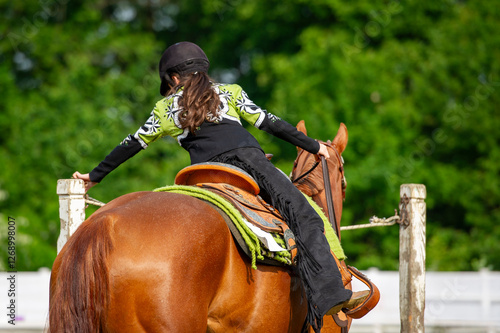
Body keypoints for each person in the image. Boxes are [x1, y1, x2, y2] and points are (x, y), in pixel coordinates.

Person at [73, 41, 368, 331]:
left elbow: (131, 144)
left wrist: (94, 176)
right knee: (304, 214)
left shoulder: (164, 109)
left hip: (203, 173)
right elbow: (269, 123)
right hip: (250, 163)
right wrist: (314, 145)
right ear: (204, 69)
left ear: (174, 79)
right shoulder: (229, 92)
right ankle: (331, 292)